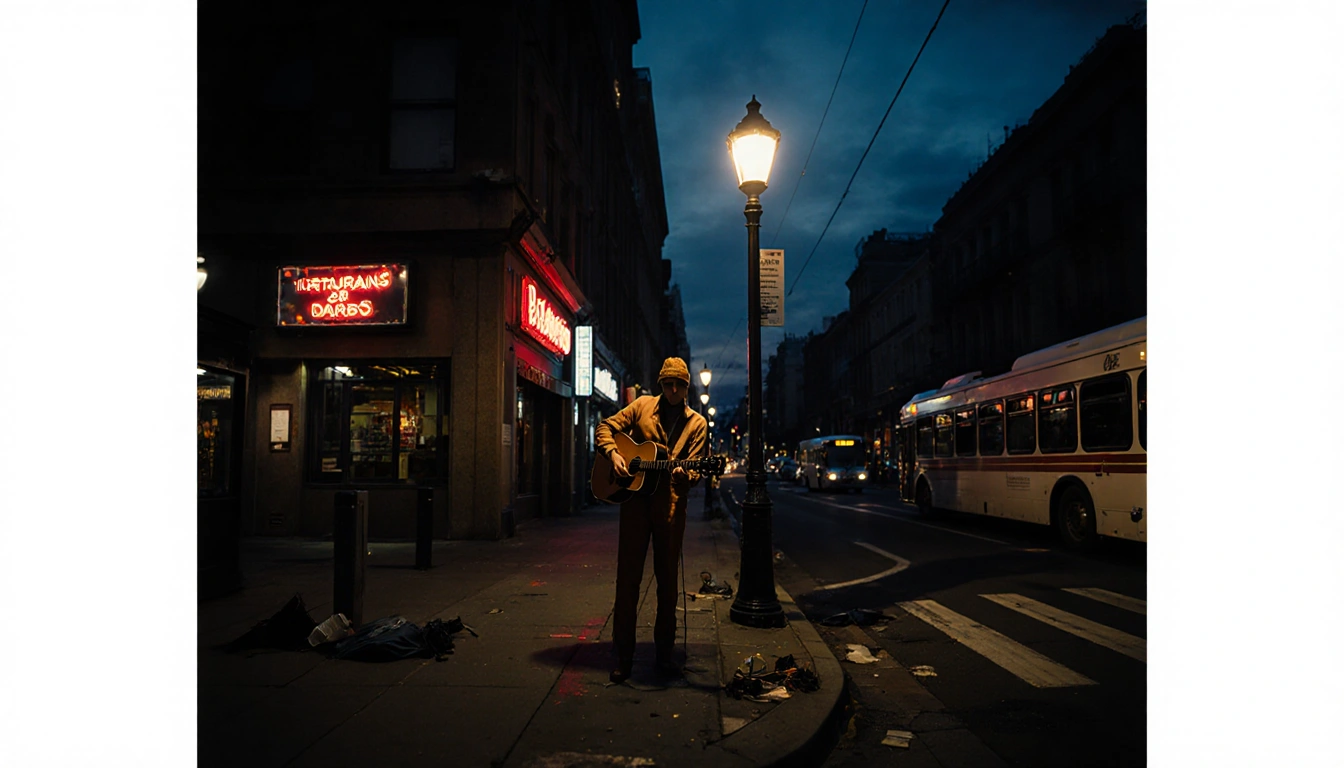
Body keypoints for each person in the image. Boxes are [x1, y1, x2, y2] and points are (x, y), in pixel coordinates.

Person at [594, 357, 708, 683]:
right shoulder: (642, 406)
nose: (673, 390)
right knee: (627, 581)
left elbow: (697, 468)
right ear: (660, 384)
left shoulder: (696, 424)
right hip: (634, 504)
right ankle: (624, 657)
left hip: (670, 507)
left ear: (687, 387)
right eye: (668, 384)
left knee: (667, 585)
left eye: (679, 385)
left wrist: (686, 475)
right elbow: (605, 427)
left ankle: (664, 656)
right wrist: (614, 454)